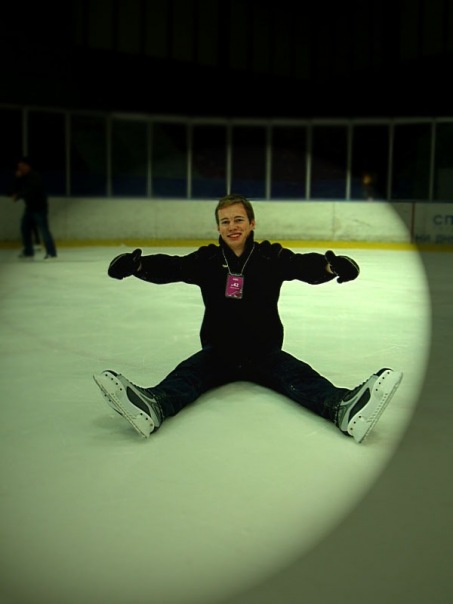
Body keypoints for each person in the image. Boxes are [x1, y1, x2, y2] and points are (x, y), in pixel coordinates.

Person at [93, 194, 403, 444]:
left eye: (238, 219)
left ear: (252, 223)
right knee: (188, 376)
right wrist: (138, 267)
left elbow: (302, 266)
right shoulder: (208, 259)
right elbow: (173, 267)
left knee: (298, 377)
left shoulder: (270, 256)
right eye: (225, 221)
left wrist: (330, 268)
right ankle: (155, 405)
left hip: (263, 350)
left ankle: (343, 408)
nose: (232, 226)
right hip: (219, 349)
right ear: (218, 227)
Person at [9, 156, 57, 259]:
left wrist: (18, 196)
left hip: (39, 208)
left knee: (44, 230)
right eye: (19, 166)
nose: (20, 168)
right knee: (24, 228)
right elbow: (15, 189)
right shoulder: (23, 178)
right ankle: (28, 251)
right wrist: (17, 179)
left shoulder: (34, 176)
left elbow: (31, 190)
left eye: (21, 166)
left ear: (27, 166)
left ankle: (51, 253)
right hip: (30, 208)